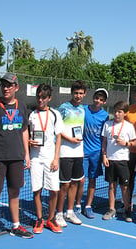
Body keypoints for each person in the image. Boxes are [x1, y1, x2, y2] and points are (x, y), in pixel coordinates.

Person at [0, 73, 33, 247]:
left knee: (14, 193)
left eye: (9, 85)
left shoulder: (22, 107)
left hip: (17, 158)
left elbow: (25, 131)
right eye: (3, 85)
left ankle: (16, 226)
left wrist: (26, 154)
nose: (5, 88)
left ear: (16, 87)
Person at [28, 84, 63, 233]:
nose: (40, 100)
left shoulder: (55, 114)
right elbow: (27, 134)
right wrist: (29, 141)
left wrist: (56, 158)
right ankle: (40, 219)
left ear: (49, 98)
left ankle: (51, 219)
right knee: (37, 189)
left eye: (43, 97)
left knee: (54, 190)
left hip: (50, 158)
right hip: (35, 158)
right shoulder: (31, 114)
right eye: (38, 97)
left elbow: (59, 137)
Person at [56, 80, 87, 227]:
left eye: (81, 93)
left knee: (75, 183)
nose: (78, 96)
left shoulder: (83, 109)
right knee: (65, 184)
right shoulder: (63, 108)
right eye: (76, 93)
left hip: (78, 152)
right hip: (65, 152)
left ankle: (70, 211)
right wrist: (70, 139)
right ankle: (59, 214)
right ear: (72, 93)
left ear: (84, 94)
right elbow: (58, 129)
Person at [101, 101, 136, 222]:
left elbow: (134, 143)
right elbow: (104, 142)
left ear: (125, 113)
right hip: (110, 160)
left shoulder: (129, 126)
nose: (116, 114)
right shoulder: (107, 124)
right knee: (111, 185)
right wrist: (104, 156)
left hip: (123, 160)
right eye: (115, 111)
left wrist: (125, 143)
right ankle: (111, 209)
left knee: (124, 187)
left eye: (120, 112)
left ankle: (127, 210)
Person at [78, 88, 109, 219]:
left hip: (96, 153)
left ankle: (88, 206)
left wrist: (103, 154)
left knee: (92, 180)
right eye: (97, 98)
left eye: (101, 99)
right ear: (93, 97)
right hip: (82, 151)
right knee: (80, 180)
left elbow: (104, 137)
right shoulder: (83, 110)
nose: (98, 101)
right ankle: (77, 205)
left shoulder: (105, 116)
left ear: (104, 101)